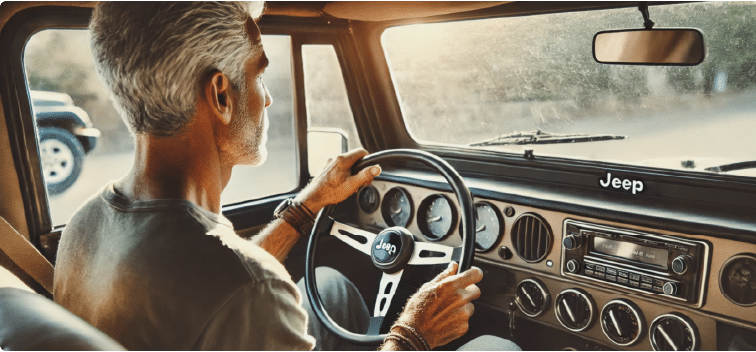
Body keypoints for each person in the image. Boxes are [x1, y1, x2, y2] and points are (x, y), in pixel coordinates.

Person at [53, 2, 519, 351]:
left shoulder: (84, 226)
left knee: (331, 288)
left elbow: (216, 277)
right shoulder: (249, 290)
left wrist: (303, 209)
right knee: (496, 347)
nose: (267, 99)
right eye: (258, 76)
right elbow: (237, 284)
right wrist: (412, 333)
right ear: (220, 95)